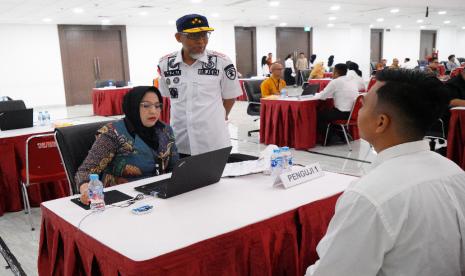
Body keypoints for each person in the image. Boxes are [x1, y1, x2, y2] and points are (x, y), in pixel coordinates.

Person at [306, 69, 465, 275]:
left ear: (381, 122)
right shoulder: (454, 173)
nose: (359, 111)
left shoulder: (369, 196)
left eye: (362, 106)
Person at [76, 86, 179, 204]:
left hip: (159, 196)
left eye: (157, 106)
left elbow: (175, 167)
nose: (153, 111)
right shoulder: (112, 133)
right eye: (146, 105)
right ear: (133, 106)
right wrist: (85, 190)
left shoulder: (165, 130)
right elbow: (84, 171)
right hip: (123, 200)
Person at [157, 14, 241, 157]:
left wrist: (218, 118)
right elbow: (167, 95)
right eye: (194, 37)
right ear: (178, 37)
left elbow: (230, 96)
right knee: (184, 179)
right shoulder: (165, 63)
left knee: (217, 179)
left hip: (213, 141)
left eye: (205, 36)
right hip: (181, 141)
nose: (201, 42)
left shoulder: (222, 61)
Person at [314, 63, 358, 139]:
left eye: (333, 71)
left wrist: (314, 94)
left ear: (336, 72)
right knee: (329, 112)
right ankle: (340, 135)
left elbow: (322, 96)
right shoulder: (352, 81)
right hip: (353, 113)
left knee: (319, 114)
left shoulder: (335, 82)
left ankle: (328, 138)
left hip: (342, 113)